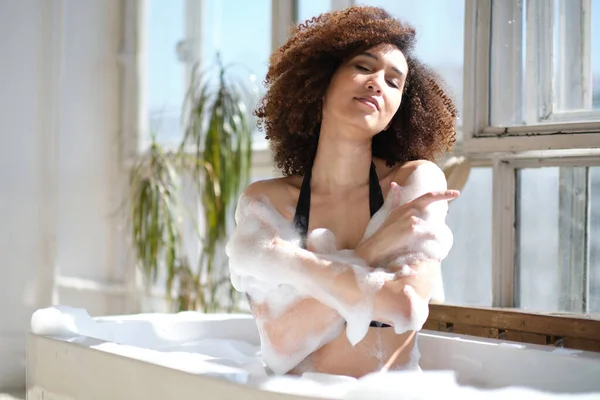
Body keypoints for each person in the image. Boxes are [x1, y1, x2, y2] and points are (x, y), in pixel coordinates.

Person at [227, 6, 459, 378]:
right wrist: (372, 249)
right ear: (320, 83)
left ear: (399, 110)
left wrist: (316, 281)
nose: (377, 83)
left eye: (394, 81)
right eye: (363, 67)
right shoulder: (268, 202)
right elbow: (280, 344)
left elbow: (405, 305)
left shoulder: (413, 184)